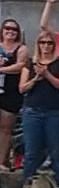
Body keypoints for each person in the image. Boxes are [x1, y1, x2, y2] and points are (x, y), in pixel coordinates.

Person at [15, 31, 59, 188]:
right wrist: (36, 78)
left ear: (54, 45)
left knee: (56, 152)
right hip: (33, 111)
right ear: (38, 44)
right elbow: (22, 88)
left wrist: (47, 75)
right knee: (31, 152)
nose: (46, 46)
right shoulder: (30, 63)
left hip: (55, 111)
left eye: (49, 43)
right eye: (42, 42)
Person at [0, 19, 28, 170]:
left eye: (14, 29)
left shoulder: (21, 49)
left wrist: (2, 69)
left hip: (11, 91)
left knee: (6, 127)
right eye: (7, 28)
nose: (10, 31)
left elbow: (20, 66)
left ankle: (2, 160)